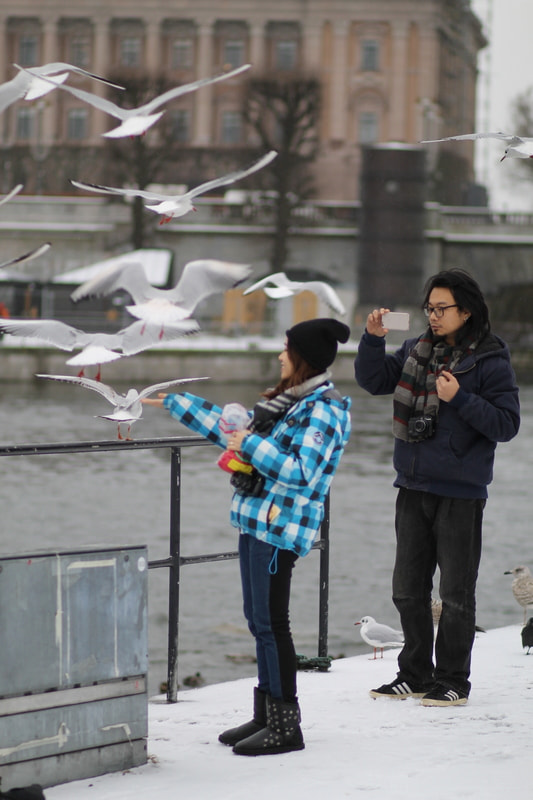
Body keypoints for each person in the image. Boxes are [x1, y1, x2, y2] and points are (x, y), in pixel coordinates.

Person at [144, 318, 351, 754]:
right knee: (259, 622)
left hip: (280, 528)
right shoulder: (289, 403)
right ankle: (265, 716)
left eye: (286, 348)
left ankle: (285, 725)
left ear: (302, 358)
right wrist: (179, 404)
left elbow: (301, 472)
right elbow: (235, 432)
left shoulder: (323, 409)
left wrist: (250, 445)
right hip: (258, 520)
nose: (279, 355)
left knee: (273, 624)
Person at [354, 269, 520, 707]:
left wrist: (460, 398)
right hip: (412, 483)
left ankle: (453, 681)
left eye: (442, 308)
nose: (433, 316)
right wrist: (372, 339)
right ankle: (414, 674)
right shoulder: (415, 349)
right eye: (429, 308)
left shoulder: (490, 359)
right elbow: (374, 382)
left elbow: (507, 425)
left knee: (455, 595)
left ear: (466, 311)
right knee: (408, 588)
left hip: (461, 492)